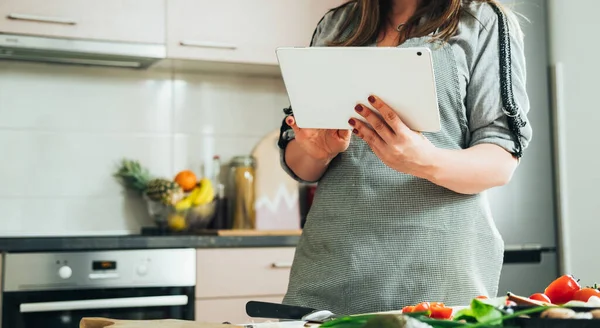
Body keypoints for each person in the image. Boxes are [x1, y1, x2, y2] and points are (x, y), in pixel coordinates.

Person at [276, 0, 533, 316]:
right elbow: (301, 166)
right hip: (329, 270)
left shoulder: (480, 21)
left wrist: (424, 160)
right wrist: (317, 150)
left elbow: (501, 160)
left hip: (435, 275)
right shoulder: (336, 24)